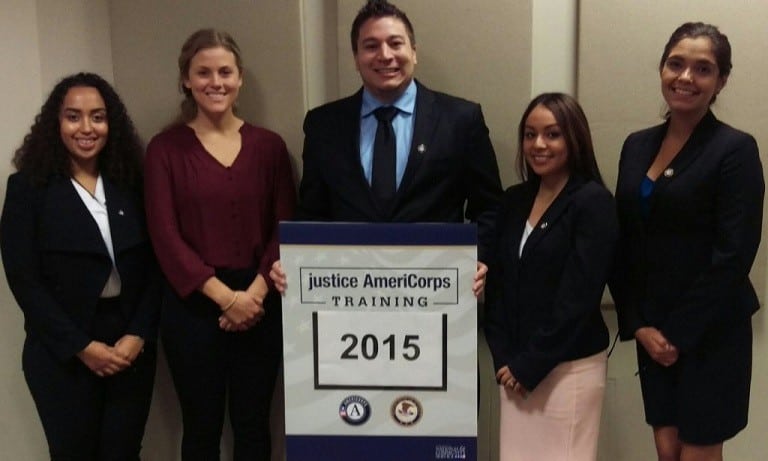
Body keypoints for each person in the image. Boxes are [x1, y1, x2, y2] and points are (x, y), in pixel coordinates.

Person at [271, 0, 502, 296]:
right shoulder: (323, 125)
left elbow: (491, 207)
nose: (385, 55)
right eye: (370, 46)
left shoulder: (460, 119)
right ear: (356, 58)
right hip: (348, 297)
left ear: (414, 52)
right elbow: (312, 211)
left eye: (395, 43)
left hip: (437, 295)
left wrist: (478, 258)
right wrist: (293, 257)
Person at [611, 22, 764, 461]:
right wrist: (637, 323)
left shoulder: (734, 149)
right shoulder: (636, 145)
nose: (685, 77)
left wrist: (675, 333)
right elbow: (623, 239)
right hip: (651, 328)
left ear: (720, 82)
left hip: (710, 330)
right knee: (666, 450)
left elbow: (734, 252)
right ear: (662, 68)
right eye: (676, 64)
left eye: (703, 69)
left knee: (696, 453)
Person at [144, 29, 296, 460]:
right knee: (201, 427)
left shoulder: (270, 147)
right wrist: (226, 299)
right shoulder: (164, 150)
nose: (216, 81)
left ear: (240, 77)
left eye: (225, 71)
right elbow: (164, 236)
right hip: (193, 306)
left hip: (261, 302)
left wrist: (252, 296)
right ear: (186, 80)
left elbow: (285, 227)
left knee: (253, 425)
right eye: (203, 72)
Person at [0, 72, 160, 460]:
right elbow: (25, 282)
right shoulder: (28, 189)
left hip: (129, 347)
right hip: (62, 353)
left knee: (124, 453)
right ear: (56, 124)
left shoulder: (132, 183)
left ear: (111, 124)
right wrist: (81, 347)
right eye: (74, 117)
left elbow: (156, 266)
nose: (87, 128)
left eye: (98, 117)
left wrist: (138, 335)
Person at [484, 93, 617, 461]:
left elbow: (578, 296)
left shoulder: (593, 202)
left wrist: (530, 364)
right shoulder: (513, 200)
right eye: (529, 134)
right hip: (513, 371)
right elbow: (498, 287)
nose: (538, 144)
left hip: (566, 370)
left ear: (574, 139)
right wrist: (504, 360)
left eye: (552, 134)